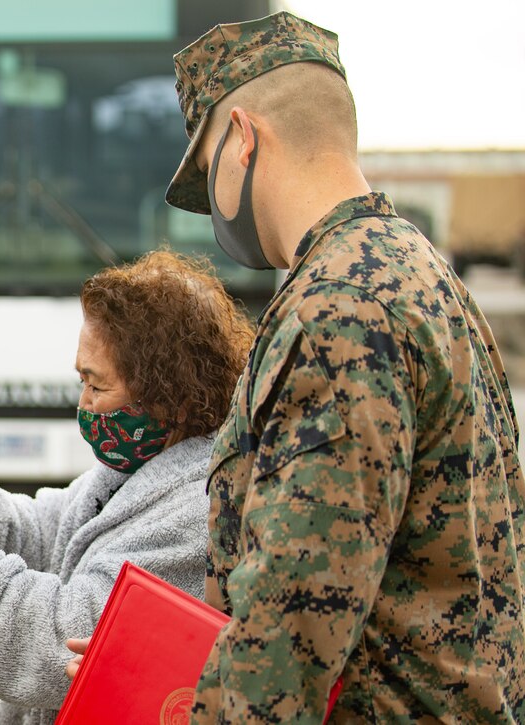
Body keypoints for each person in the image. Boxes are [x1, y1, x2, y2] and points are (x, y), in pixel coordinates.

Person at [73, 10, 524, 721]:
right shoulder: (421, 272)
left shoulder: (335, 311)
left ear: (242, 140)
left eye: (205, 174)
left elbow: (287, 640)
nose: (210, 212)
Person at [0, 249, 253, 724]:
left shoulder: (197, 511)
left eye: (97, 387)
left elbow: (58, 638)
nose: (84, 404)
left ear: (171, 398)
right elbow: (53, 528)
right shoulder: (142, 466)